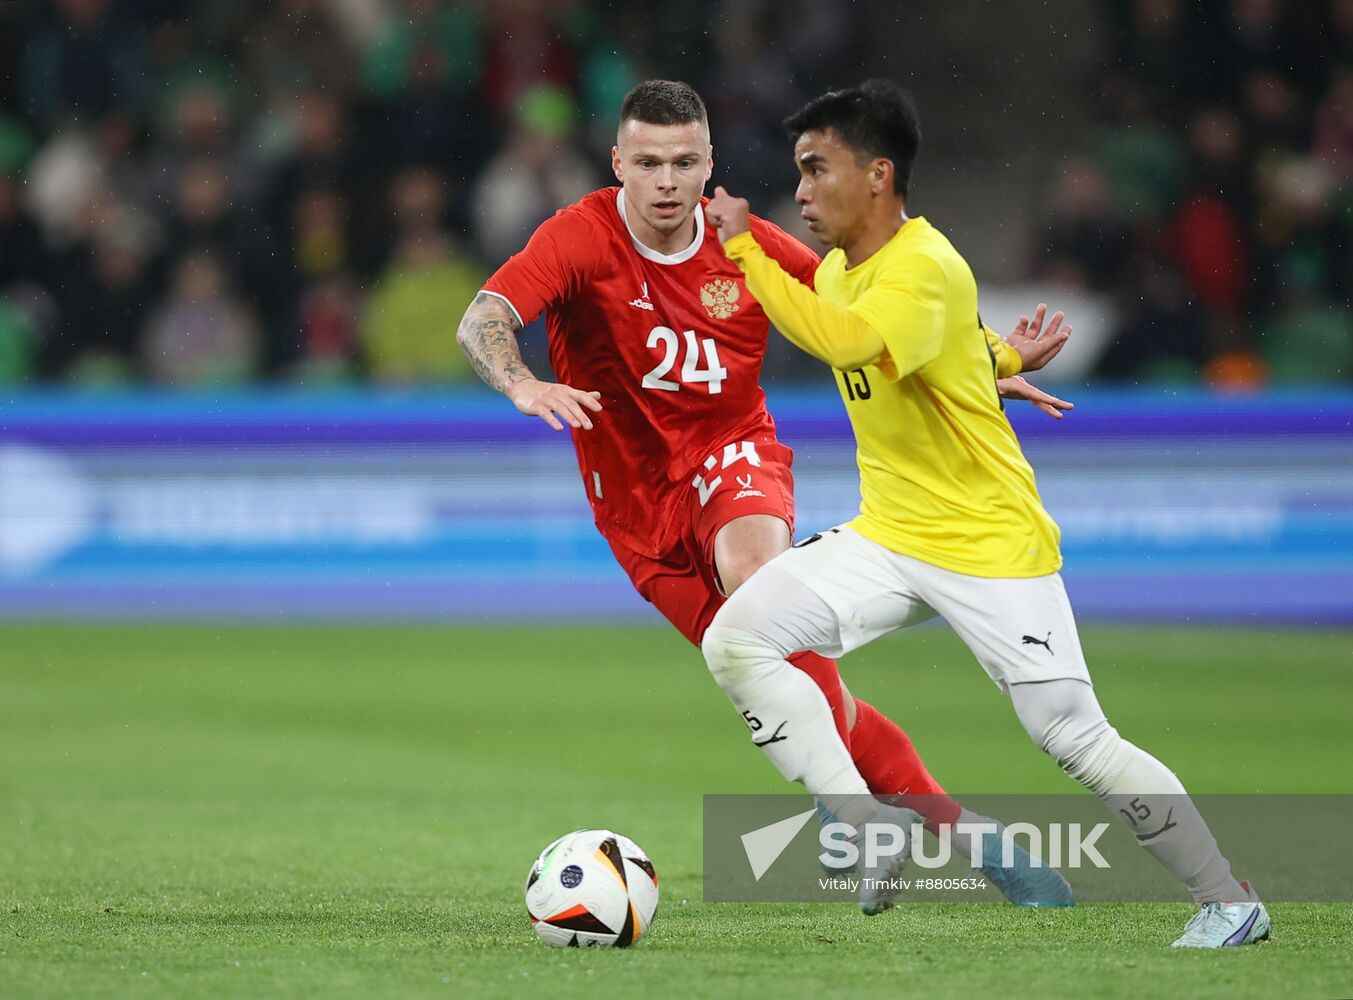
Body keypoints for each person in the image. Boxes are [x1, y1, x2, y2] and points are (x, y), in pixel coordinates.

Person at [455, 81, 1073, 907]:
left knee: (758, 582)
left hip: (731, 455)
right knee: (781, 671)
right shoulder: (580, 237)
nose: (666, 182)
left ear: (709, 165)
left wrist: (991, 362)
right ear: (617, 165)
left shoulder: (750, 246)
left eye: (683, 163)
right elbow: (483, 316)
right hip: (635, 512)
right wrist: (520, 380)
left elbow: (877, 312)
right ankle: (966, 834)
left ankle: (849, 815)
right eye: (647, 163)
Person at [700, 80, 1268, 947]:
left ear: (879, 174)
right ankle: (861, 823)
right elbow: (941, 347)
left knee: (1072, 737)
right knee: (737, 637)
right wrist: (996, 358)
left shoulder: (924, 264)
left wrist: (744, 250)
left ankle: (1228, 899)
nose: (802, 192)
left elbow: (847, 342)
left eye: (817, 170)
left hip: (987, 544)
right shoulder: (848, 268)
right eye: (798, 173)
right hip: (890, 532)